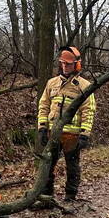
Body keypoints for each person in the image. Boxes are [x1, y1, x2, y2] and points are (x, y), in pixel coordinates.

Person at [36, 46, 96, 201]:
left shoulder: (84, 86)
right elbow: (43, 106)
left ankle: (70, 195)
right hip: (53, 132)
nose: (65, 66)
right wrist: (42, 127)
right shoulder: (52, 83)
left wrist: (84, 134)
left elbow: (89, 110)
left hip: (72, 134)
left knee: (72, 166)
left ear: (76, 64)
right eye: (63, 63)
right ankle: (46, 195)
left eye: (68, 64)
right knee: (48, 164)